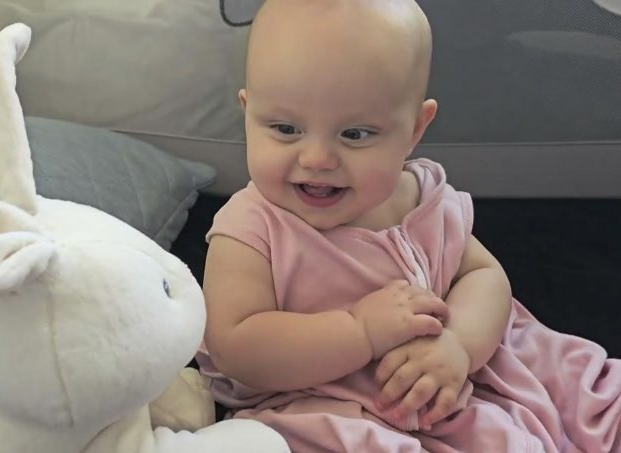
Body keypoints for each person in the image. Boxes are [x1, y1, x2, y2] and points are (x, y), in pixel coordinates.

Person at [194, 0, 621, 451]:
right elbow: (236, 346)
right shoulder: (251, 227)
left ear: (415, 130)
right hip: (332, 394)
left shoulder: (418, 197)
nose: (317, 158)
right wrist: (359, 331)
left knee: (584, 388)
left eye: (355, 134)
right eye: (284, 128)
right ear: (247, 113)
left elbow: (482, 275)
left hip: (466, 358)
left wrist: (460, 344)